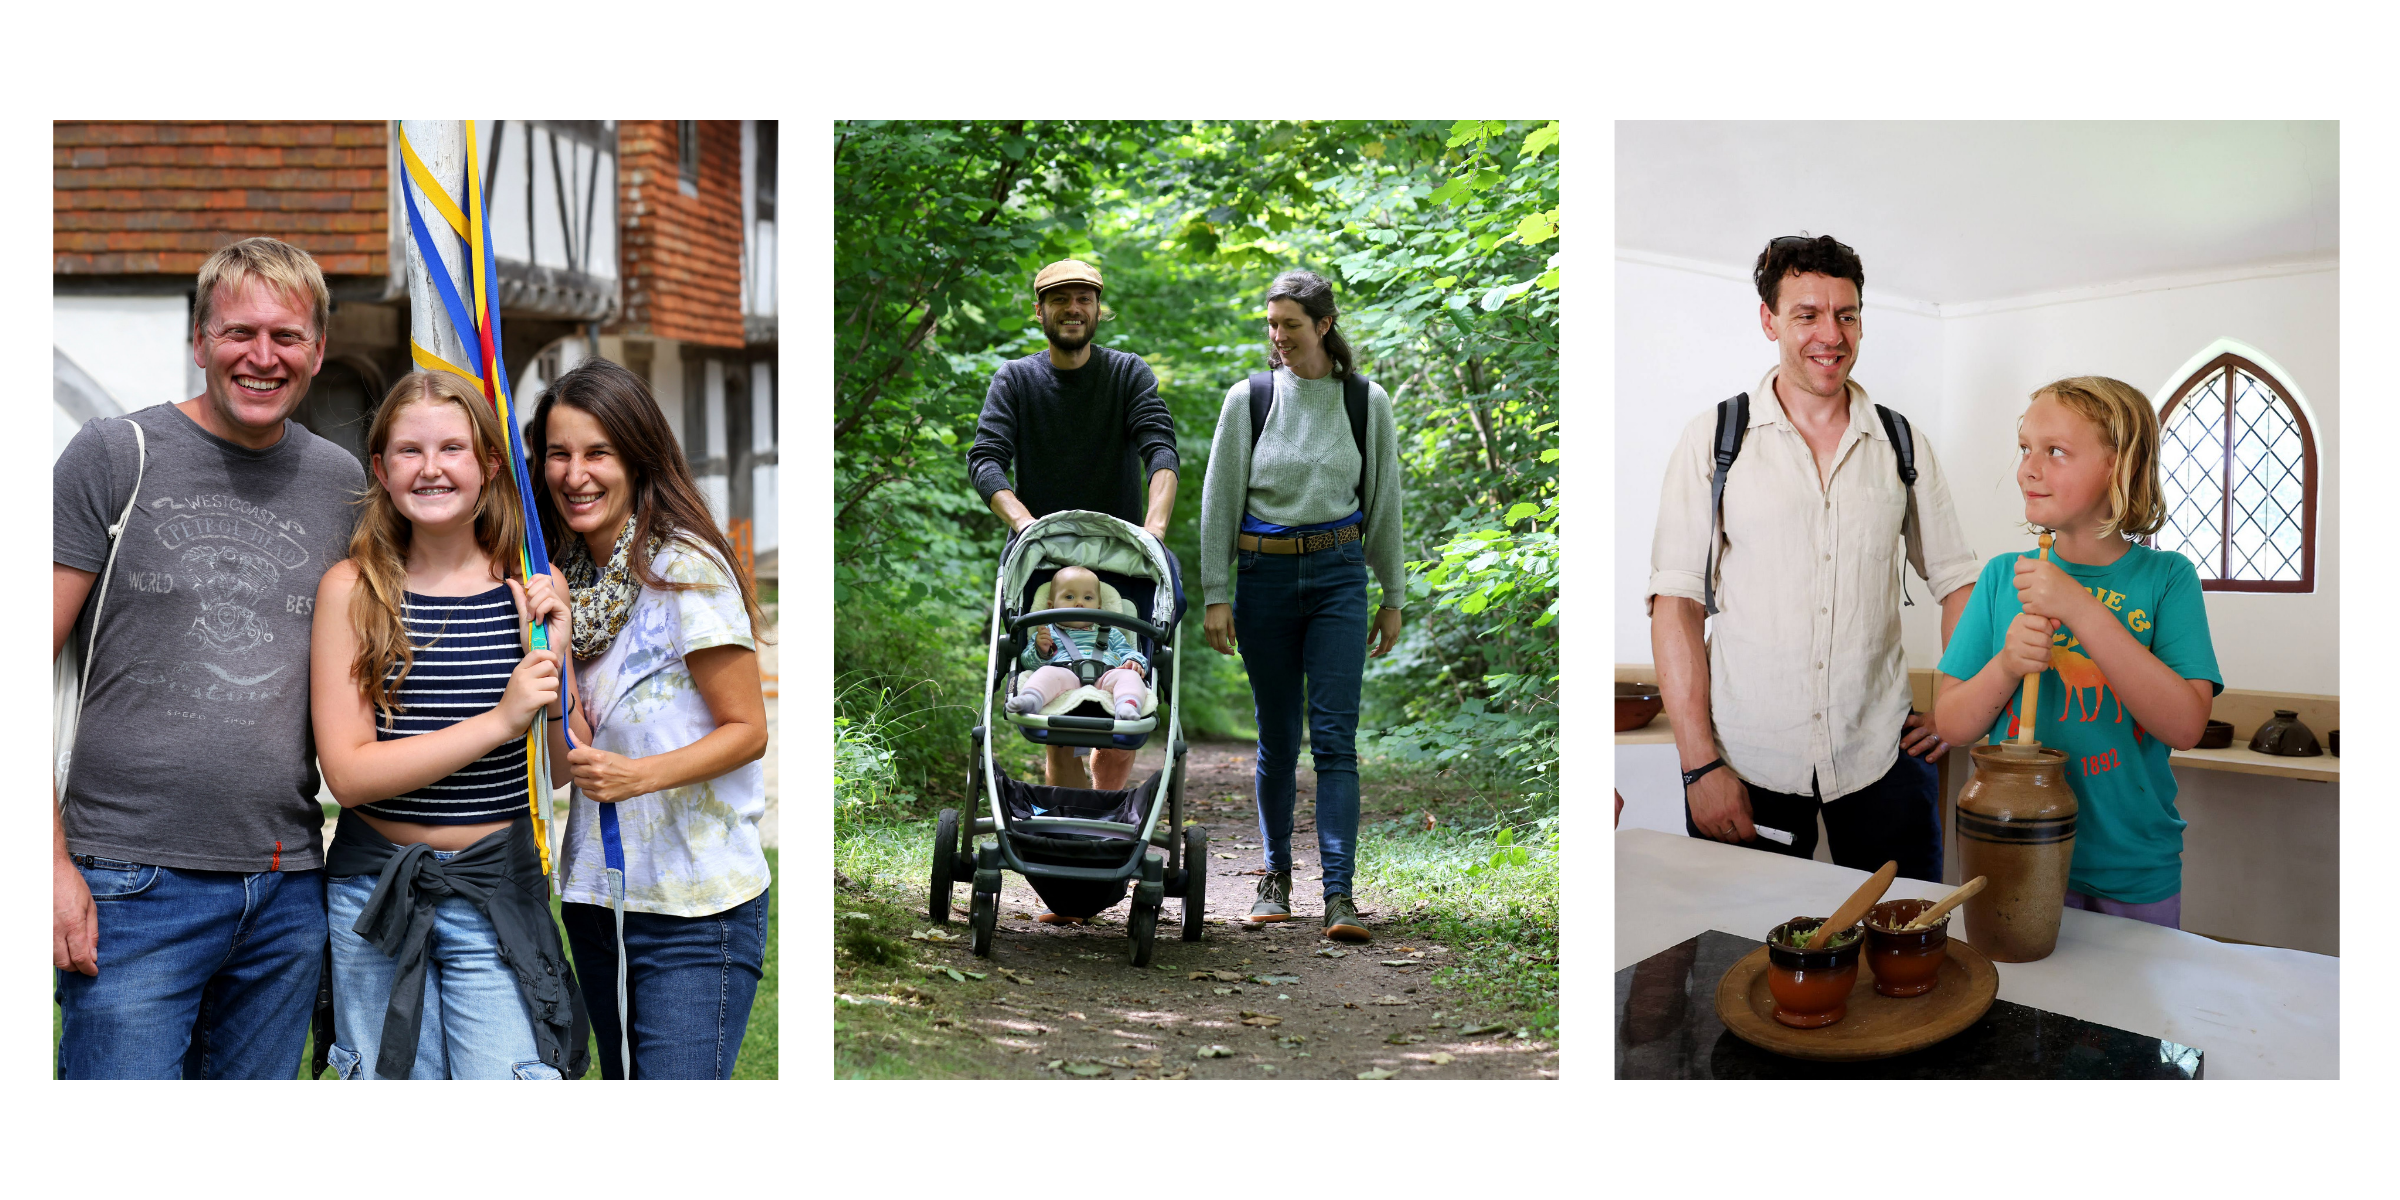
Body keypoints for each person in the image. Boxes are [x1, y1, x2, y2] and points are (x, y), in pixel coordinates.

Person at [53, 237, 364, 1078]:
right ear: (199, 340)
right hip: (128, 883)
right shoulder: (116, 456)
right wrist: (47, 864)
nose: (262, 357)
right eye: (238, 333)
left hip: (286, 887)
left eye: (287, 337)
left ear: (317, 349)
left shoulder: (340, 483)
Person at [1647, 234, 1979, 883]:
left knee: (1906, 958)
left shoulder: (1901, 443)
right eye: (1807, 314)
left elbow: (1959, 582)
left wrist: (1956, 708)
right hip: (1744, 764)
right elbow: (1676, 605)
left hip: (1883, 760)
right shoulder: (1716, 440)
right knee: (1735, 966)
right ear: (1769, 319)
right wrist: (1700, 767)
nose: (1831, 334)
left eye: (1846, 314)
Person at [309, 370, 587, 1080]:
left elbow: (567, 759)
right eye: (408, 451)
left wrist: (558, 650)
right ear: (380, 469)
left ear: (490, 463)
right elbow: (349, 773)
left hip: (496, 892)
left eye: (452, 449)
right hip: (376, 892)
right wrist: (498, 721)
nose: (431, 468)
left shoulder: (526, 587)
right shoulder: (354, 589)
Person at [529, 358, 772, 1079]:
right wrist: (559, 653)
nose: (576, 474)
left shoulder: (684, 566)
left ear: (636, 457)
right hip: (599, 901)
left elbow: (748, 730)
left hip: (695, 911)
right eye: (559, 454)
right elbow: (561, 762)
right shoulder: (563, 582)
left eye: (597, 453)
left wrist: (641, 775)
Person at [1933, 377, 2220, 929]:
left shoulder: (2168, 579)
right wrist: (2007, 664)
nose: (2027, 469)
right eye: (2025, 450)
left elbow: (2185, 725)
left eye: (2056, 451)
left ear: (2119, 466)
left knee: (2128, 1015)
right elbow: (1952, 723)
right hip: (2013, 853)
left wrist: (2081, 609)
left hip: (2132, 867)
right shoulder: (2000, 578)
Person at [1200, 269, 1405, 943]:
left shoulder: (1363, 402)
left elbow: (1384, 507)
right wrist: (1215, 595)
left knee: (1337, 740)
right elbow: (1219, 503)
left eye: (1290, 323)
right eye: (1271, 324)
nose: (1278, 337)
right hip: (1263, 577)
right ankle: (1274, 878)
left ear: (1323, 325)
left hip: (1340, 577)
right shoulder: (1250, 399)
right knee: (1278, 737)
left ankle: (1340, 895)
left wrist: (1392, 597)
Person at [967, 258, 1179, 791]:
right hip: (1043, 558)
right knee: (1058, 722)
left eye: (1083, 298)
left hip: (1123, 558)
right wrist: (1023, 523)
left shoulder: (1127, 372)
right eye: (1060, 299)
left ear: (1098, 309)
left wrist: (1152, 530)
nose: (1073, 309)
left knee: (1119, 721)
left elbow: (1160, 448)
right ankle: (1069, 824)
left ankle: (1105, 820)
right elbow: (986, 459)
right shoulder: (1015, 379)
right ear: (1040, 310)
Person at [1008, 565, 1150, 721]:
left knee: (1129, 676)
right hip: (1064, 673)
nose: (1079, 603)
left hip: (1107, 675)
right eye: (1069, 597)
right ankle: (1031, 699)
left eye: (1088, 598)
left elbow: (1127, 652)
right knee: (1045, 673)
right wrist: (1041, 651)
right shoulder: (1046, 633)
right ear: (1051, 606)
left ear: (1098, 608)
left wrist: (1134, 662)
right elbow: (1028, 664)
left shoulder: (1111, 633)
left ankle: (1127, 704)